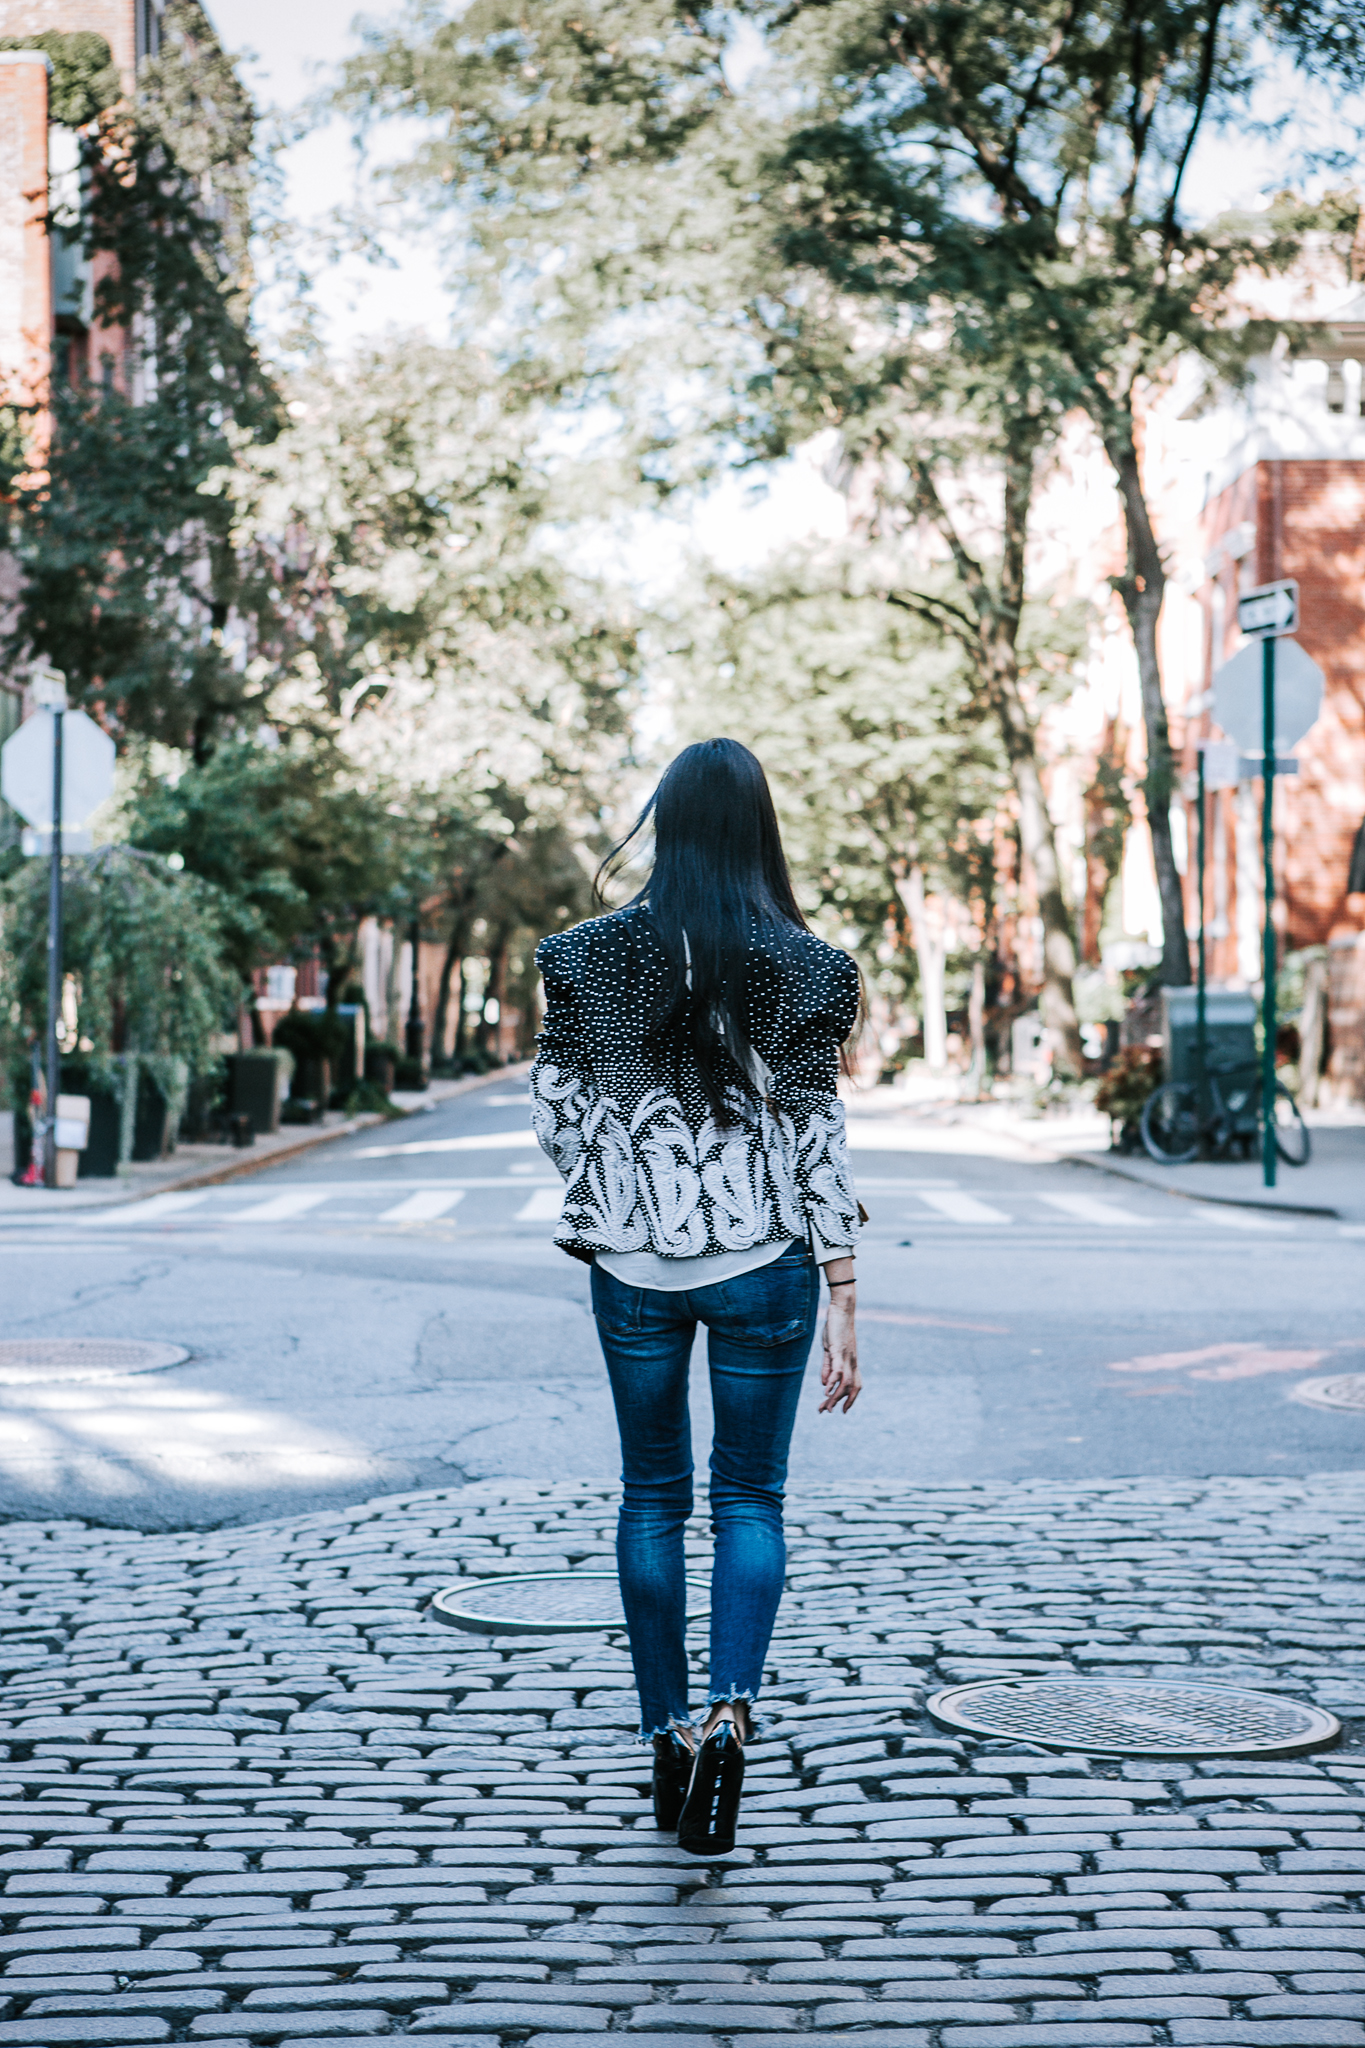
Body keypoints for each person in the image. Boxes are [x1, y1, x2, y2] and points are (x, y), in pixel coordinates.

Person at [529, 737, 862, 1856]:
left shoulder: (584, 958)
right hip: (768, 1263)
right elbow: (818, 1138)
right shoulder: (810, 967)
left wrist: (620, 1183)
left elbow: (557, 1117)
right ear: (758, 828)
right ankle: (731, 1706)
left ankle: (665, 1725)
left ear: (665, 823)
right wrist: (845, 1288)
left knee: (651, 1498)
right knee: (752, 1501)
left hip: (633, 1270)